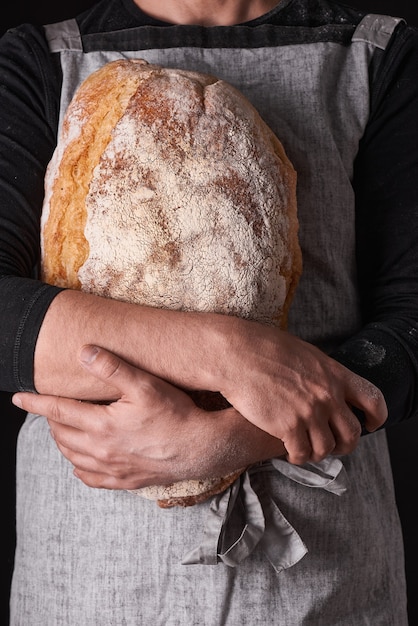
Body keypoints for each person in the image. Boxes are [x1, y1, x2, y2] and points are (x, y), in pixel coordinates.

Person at [1, 0, 417, 623]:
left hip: (321, 577)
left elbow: (410, 323)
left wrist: (225, 442)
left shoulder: (374, 58)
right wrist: (227, 354)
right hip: (95, 574)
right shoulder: (43, 62)